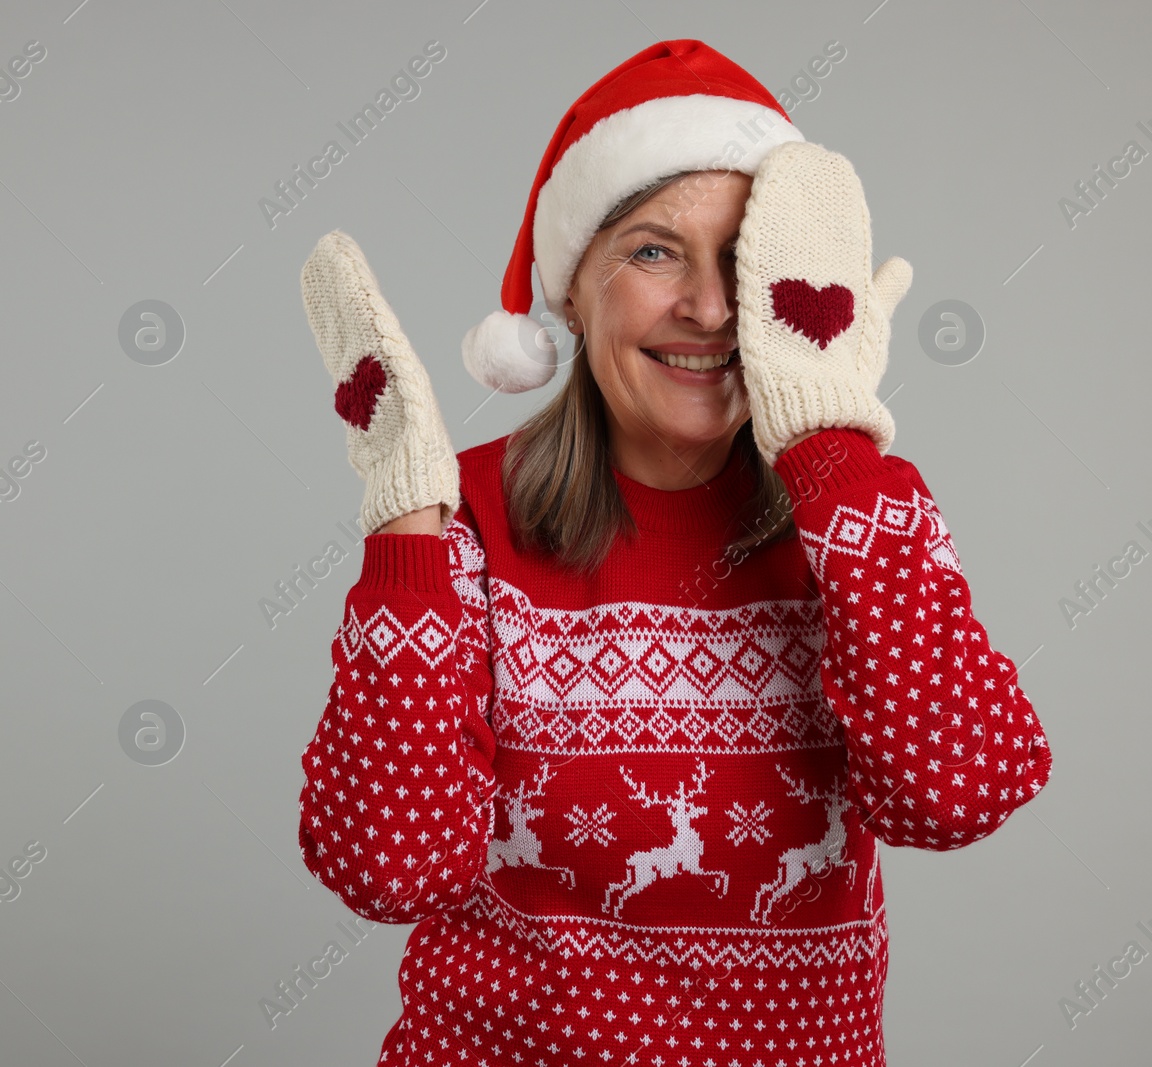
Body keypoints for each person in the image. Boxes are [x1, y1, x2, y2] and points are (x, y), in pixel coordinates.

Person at [296, 39, 1051, 1067]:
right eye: (654, 251)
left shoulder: (855, 513)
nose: (707, 307)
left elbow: (959, 787)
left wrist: (824, 440)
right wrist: (402, 524)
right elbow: (389, 865)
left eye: (743, 260)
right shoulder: (458, 516)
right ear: (572, 291)